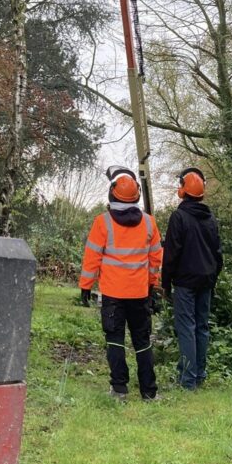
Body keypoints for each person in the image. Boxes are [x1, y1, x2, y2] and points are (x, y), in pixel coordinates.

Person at [79, 166, 163, 402]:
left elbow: (92, 257)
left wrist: (85, 286)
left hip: (113, 294)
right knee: (143, 341)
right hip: (140, 293)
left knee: (115, 340)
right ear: (136, 194)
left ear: (112, 193)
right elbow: (156, 259)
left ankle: (119, 389)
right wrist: (152, 284)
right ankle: (149, 391)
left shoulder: (102, 223)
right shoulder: (149, 223)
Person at [161, 167, 223, 391]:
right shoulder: (211, 219)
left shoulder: (179, 217)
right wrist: (213, 278)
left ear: (183, 190)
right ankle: (199, 374)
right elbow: (218, 255)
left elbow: (171, 254)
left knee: (187, 328)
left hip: (185, 282)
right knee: (202, 328)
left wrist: (165, 283)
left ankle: (188, 380)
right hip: (205, 281)